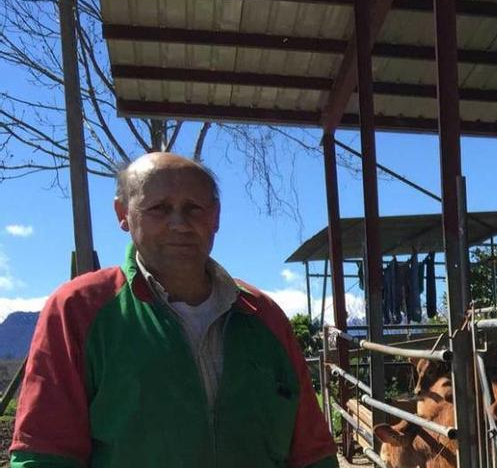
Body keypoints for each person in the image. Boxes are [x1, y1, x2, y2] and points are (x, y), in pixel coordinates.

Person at [10, 153, 338, 468]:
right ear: (123, 213)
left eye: (194, 208)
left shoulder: (262, 315)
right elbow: (46, 454)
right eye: (159, 209)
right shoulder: (80, 309)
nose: (179, 224)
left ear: (216, 216)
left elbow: (311, 451)